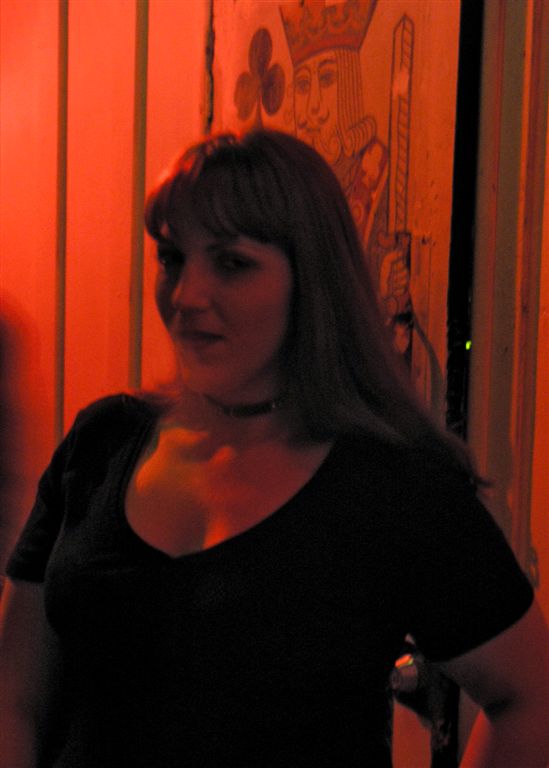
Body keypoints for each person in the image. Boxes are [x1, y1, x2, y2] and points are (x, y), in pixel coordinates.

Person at [0, 129, 547, 768]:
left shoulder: (391, 485)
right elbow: (16, 697)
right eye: (172, 258)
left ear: (309, 280)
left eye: (231, 263)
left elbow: (530, 695)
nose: (186, 296)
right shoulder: (102, 442)